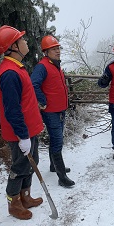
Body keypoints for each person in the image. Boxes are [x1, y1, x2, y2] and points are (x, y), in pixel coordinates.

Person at [0, 25, 44, 220]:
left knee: (32, 163)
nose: (26, 42)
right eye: (21, 39)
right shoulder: (9, 73)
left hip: (30, 129)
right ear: (13, 46)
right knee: (20, 167)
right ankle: (14, 203)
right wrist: (22, 136)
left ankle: (25, 196)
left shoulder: (17, 68)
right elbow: (12, 110)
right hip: (20, 133)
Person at [31, 35, 75, 188]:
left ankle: (53, 166)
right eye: (54, 49)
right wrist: (42, 101)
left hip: (60, 110)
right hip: (51, 112)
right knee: (57, 141)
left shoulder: (56, 65)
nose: (57, 51)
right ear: (46, 51)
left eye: (58, 48)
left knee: (56, 139)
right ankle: (62, 176)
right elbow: (33, 84)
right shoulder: (42, 66)